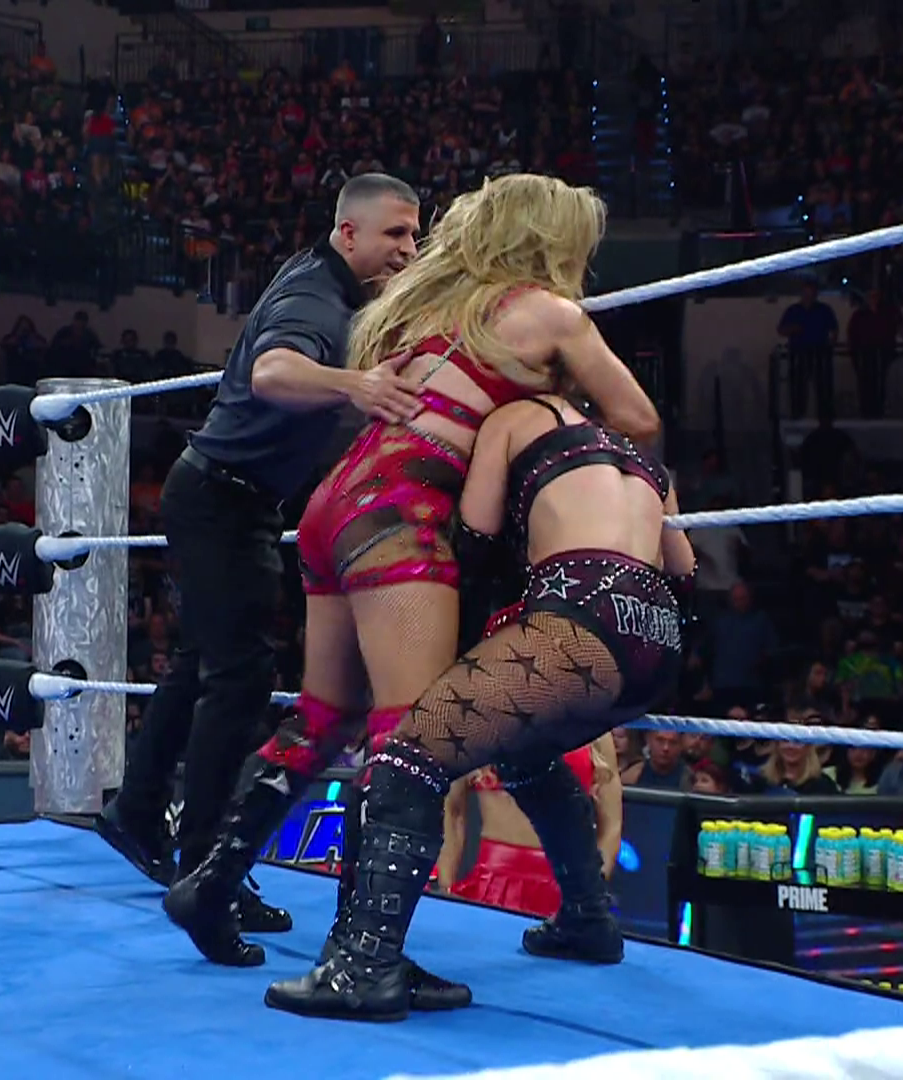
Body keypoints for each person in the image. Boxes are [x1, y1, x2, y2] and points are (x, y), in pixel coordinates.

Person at [161, 175, 659, 988]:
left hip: (334, 507)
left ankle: (212, 881)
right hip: (401, 518)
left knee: (323, 716)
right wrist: (556, 426)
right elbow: (639, 421)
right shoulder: (550, 314)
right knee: (407, 743)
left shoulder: (430, 310)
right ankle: (363, 952)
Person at [264, 391, 695, 1022]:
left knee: (407, 753)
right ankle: (587, 919)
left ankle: (365, 966)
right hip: (660, 643)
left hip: (580, 621)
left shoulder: (518, 418)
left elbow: (474, 540)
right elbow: (684, 568)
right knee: (526, 751)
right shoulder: (643, 460)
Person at [93, 175, 426, 925]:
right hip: (224, 501)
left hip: (223, 494)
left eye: (414, 234)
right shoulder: (315, 296)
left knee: (202, 663)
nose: (409, 248)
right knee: (239, 680)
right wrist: (357, 386)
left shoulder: (339, 291)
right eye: (395, 234)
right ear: (348, 233)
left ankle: (137, 811)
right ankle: (204, 865)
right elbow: (274, 372)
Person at [436, 737, 623, 918]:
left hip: (570, 884)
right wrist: (445, 888)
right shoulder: (477, 723)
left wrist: (590, 891)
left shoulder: (593, 725)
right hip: (493, 883)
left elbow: (612, 825)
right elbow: (452, 812)